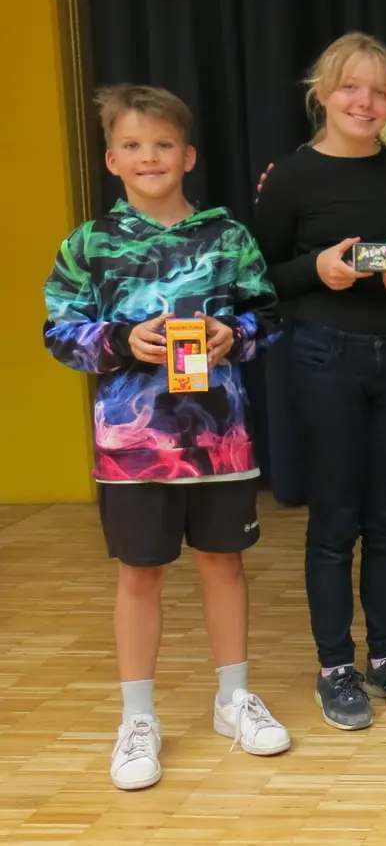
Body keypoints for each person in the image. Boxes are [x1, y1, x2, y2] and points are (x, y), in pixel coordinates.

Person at [42, 85, 289, 789]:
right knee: (139, 575)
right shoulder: (86, 244)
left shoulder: (228, 235)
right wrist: (123, 339)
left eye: (161, 145)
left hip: (222, 442)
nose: (148, 156)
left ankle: (232, 698)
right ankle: (138, 717)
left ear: (187, 156)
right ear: (112, 159)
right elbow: (59, 333)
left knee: (223, 566)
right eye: (132, 145)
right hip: (132, 449)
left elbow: (266, 317)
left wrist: (230, 334)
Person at [254, 32, 386, 730]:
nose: (364, 102)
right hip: (322, 358)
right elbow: (261, 277)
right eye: (350, 88)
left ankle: (384, 657)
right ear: (323, 93)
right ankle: (335, 666)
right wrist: (319, 269)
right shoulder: (291, 177)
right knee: (336, 520)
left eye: (379, 92)